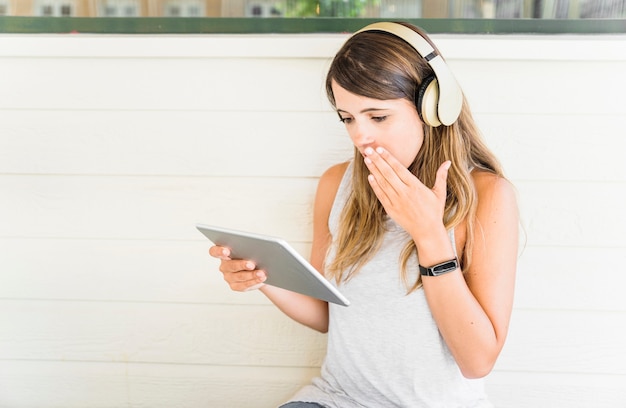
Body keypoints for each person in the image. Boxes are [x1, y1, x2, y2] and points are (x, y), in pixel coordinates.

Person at [209, 21, 519, 408]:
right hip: (335, 399)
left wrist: (429, 236)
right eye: (347, 118)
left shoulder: (488, 196)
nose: (360, 136)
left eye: (378, 116)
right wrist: (264, 277)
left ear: (434, 106)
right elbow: (327, 314)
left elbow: (478, 361)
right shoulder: (336, 184)